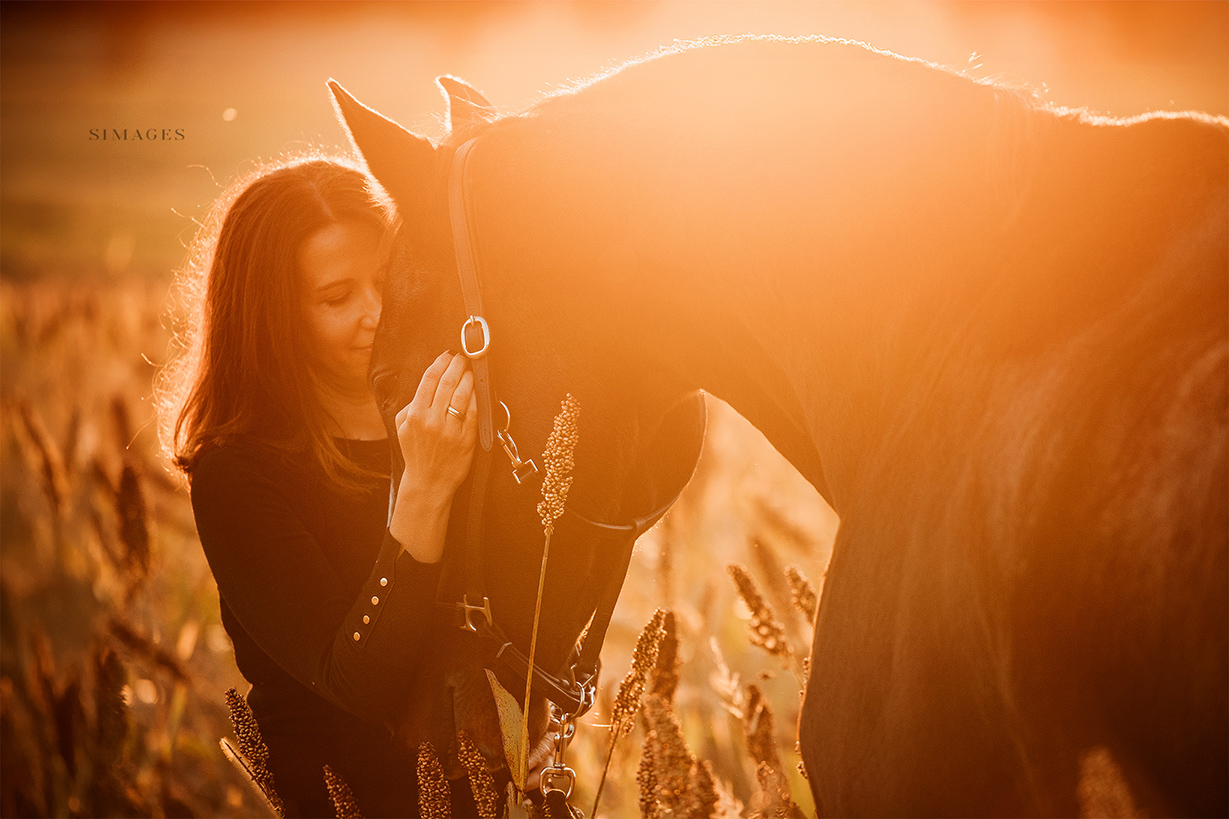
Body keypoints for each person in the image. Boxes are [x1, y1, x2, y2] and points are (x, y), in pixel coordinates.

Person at [158, 156, 479, 817]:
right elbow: (362, 686)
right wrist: (423, 488)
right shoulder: (238, 474)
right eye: (337, 298)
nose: (377, 313)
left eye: (388, 282)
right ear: (272, 317)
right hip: (352, 801)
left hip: (487, 789)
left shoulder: (449, 411)